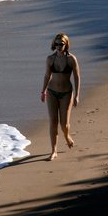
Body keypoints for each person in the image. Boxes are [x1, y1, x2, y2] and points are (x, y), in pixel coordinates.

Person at [40, 32, 81, 161]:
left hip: (66, 93)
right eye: (56, 44)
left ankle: (67, 136)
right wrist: (43, 91)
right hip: (52, 92)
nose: (58, 46)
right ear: (54, 44)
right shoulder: (50, 59)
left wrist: (77, 95)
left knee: (64, 124)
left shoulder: (71, 59)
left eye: (61, 44)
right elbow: (47, 76)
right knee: (53, 121)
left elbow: (76, 77)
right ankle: (54, 151)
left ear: (66, 44)